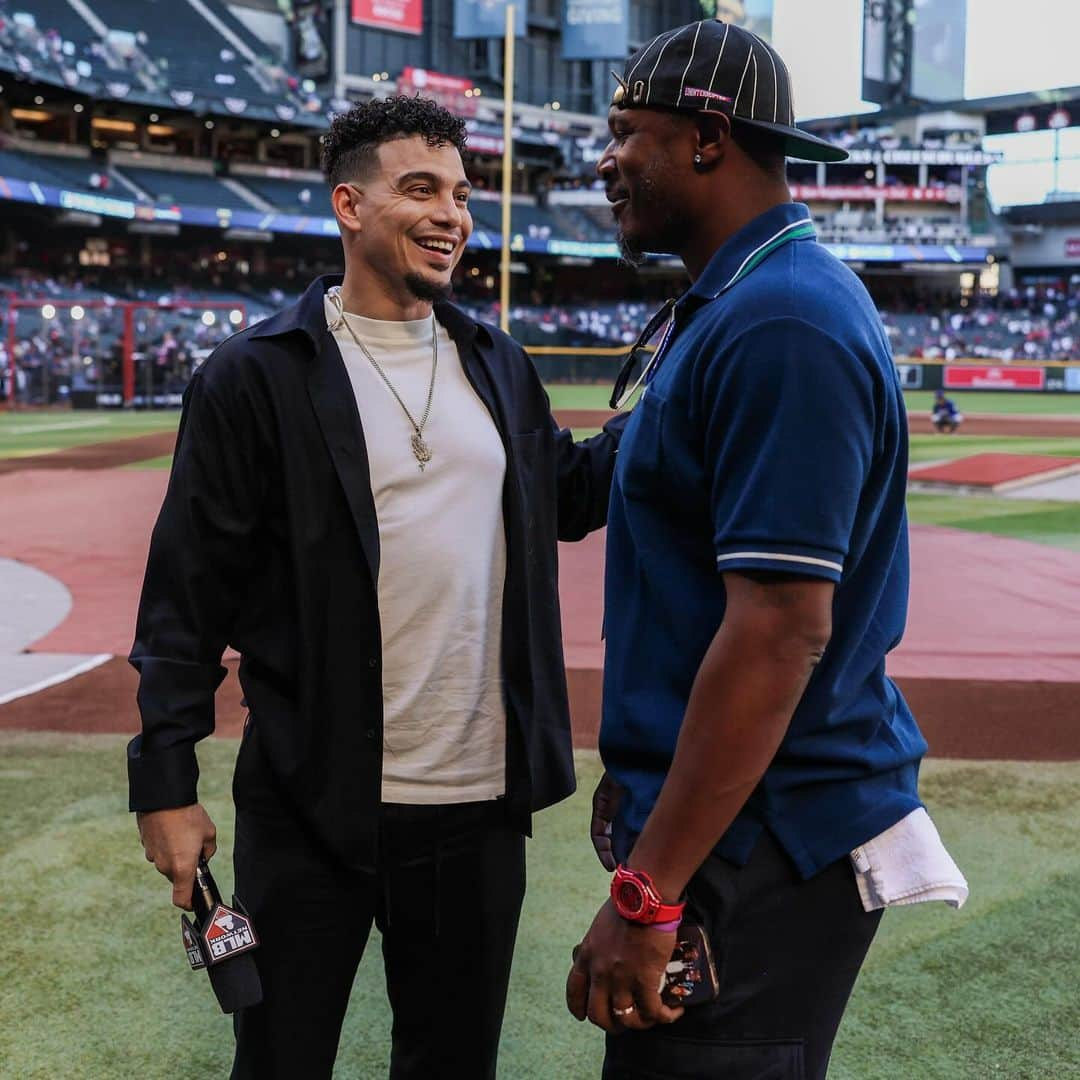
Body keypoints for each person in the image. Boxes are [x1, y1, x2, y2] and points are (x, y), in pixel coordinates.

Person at [128, 95, 625, 1079]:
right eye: (422, 190)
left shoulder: (498, 364)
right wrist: (165, 789)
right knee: (280, 1059)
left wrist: (693, 378)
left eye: (462, 195)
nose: (453, 215)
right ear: (349, 205)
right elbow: (187, 593)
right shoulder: (254, 377)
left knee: (451, 1064)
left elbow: (566, 496)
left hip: (479, 809)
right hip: (310, 800)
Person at [566, 20, 967, 1080]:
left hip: (766, 840)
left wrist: (647, 892)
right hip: (736, 828)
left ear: (705, 138)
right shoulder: (736, 305)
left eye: (626, 133)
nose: (605, 160)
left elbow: (780, 632)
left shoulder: (781, 319)